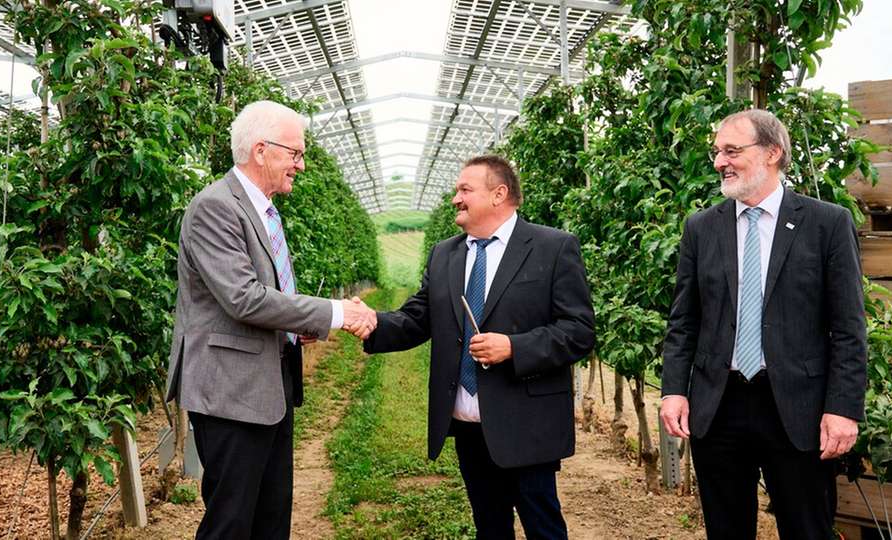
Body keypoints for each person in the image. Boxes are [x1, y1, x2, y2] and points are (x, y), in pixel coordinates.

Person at [164, 100, 377, 539]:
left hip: (268, 387)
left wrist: (295, 323)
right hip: (230, 391)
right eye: (294, 153)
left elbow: (267, 295)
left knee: (270, 516)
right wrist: (334, 313)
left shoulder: (262, 209)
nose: (300, 164)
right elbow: (243, 298)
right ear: (261, 150)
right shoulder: (215, 207)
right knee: (232, 521)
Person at [363, 155, 595, 539]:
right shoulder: (445, 254)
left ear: (499, 194)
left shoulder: (552, 247)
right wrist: (370, 322)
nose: (456, 198)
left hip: (526, 421)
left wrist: (515, 347)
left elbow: (579, 329)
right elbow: (419, 318)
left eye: (465, 190)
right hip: (468, 423)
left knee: (543, 527)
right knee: (489, 526)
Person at [660, 109, 867, 539]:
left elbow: (848, 327)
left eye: (732, 150)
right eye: (717, 152)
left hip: (798, 408)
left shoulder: (826, 223)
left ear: (773, 152)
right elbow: (685, 320)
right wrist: (674, 390)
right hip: (719, 406)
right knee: (726, 529)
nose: (720, 161)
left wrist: (843, 408)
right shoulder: (702, 228)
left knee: (807, 528)